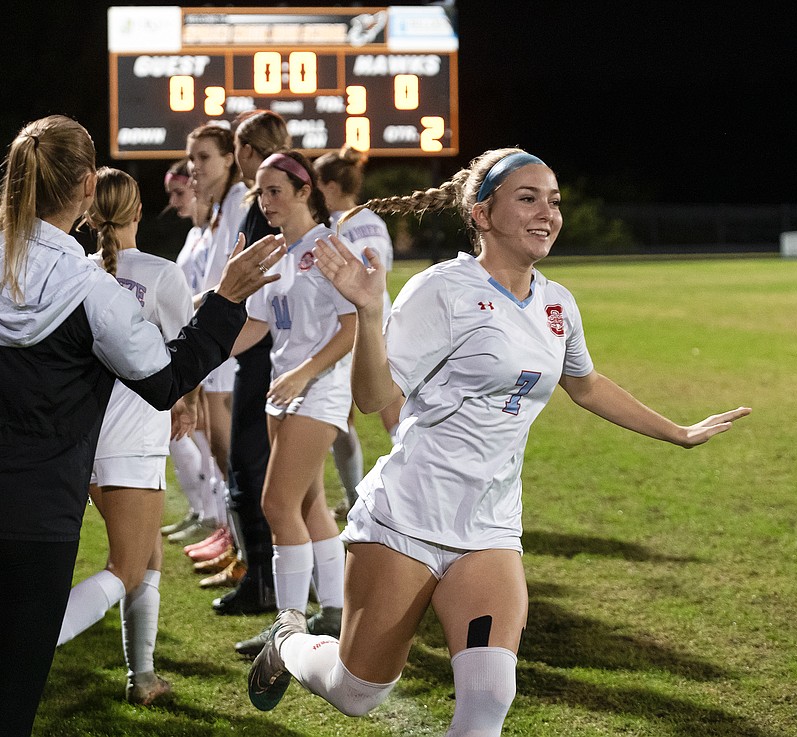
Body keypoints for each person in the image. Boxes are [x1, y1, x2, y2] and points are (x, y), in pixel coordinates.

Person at [247, 148, 752, 735]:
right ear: (482, 215)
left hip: (489, 528)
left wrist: (678, 431)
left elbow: (585, 385)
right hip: (406, 518)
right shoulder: (442, 289)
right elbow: (372, 395)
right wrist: (367, 313)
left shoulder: (557, 302)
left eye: (554, 200)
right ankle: (287, 644)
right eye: (528, 197)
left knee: (489, 697)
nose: (549, 212)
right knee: (357, 692)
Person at [0, 114, 285, 736]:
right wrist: (224, 302)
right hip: (30, 523)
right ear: (87, 186)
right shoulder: (91, 287)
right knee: (3, 713)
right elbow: (165, 380)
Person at [55, 167, 197, 705]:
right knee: (128, 565)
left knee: (147, 554)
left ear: (92, 217)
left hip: (81, 441)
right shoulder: (163, 274)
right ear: (138, 211)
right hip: (132, 442)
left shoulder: (74, 272)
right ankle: (33, 642)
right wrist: (185, 402)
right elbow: (186, 361)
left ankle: (143, 678)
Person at [229, 149, 358, 657]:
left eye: (275, 190)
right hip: (284, 388)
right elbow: (259, 324)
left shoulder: (329, 248)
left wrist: (305, 373)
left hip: (318, 388)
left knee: (275, 504)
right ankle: (333, 611)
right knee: (308, 504)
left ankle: (288, 627)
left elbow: (353, 328)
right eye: (260, 192)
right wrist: (199, 348)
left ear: (307, 191)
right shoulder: (278, 251)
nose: (265, 201)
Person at [210, 110, 291, 616]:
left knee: (254, 468)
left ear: (247, 149)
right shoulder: (258, 204)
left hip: (265, 352)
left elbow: (265, 297)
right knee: (252, 469)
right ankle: (263, 576)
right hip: (259, 350)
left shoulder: (268, 208)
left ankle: (267, 581)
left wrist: (212, 343)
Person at [313, 146, 403, 519]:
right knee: (394, 413)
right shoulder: (373, 219)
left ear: (330, 186)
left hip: (349, 324)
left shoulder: (331, 226)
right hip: (385, 319)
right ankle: (403, 496)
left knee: (342, 417)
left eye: (316, 185)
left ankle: (356, 499)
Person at [176, 124, 251, 549]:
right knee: (223, 455)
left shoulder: (240, 202)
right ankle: (237, 544)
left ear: (229, 158)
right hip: (216, 333)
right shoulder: (223, 207)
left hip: (233, 337)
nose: (194, 167)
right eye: (191, 159)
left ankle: (249, 555)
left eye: (203, 157)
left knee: (230, 454)